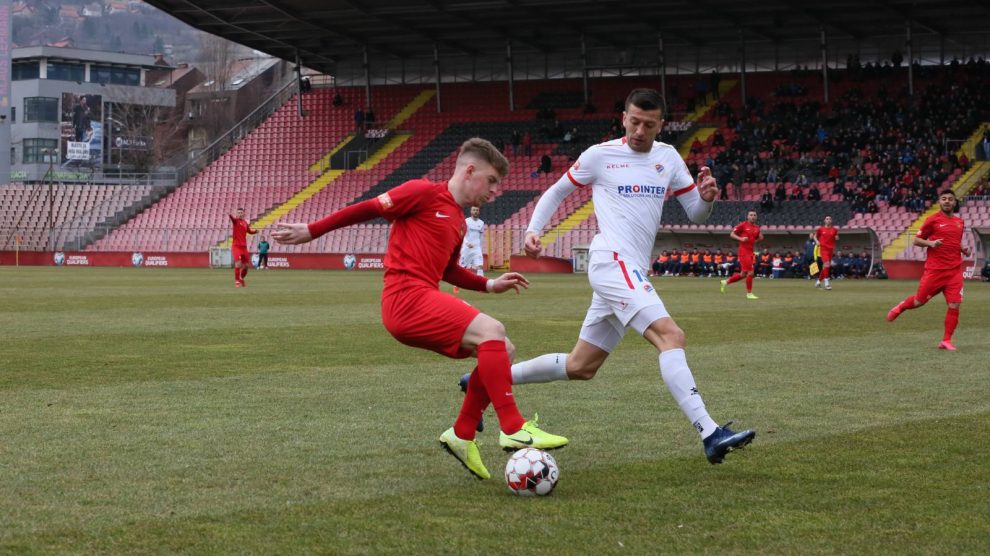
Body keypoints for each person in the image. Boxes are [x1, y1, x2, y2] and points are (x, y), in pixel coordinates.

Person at [481, 88, 754, 465]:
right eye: (634, 122)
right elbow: (557, 191)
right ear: (624, 118)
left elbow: (696, 213)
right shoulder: (600, 155)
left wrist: (707, 198)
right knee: (671, 336)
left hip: (631, 269)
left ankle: (487, 378)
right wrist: (533, 230)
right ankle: (710, 433)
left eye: (649, 125)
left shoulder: (668, 158)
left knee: (581, 366)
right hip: (611, 261)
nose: (640, 130)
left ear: (661, 125)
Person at [273, 138, 567, 480]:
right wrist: (312, 230)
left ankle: (462, 434)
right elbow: (368, 207)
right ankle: (513, 427)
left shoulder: (458, 220)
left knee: (503, 348)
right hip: (405, 298)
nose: (494, 191)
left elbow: (448, 271)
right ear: (469, 170)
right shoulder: (423, 192)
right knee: (493, 331)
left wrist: (489, 285)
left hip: (421, 296)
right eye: (491, 181)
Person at [887, 190, 971, 351]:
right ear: (940, 202)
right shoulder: (932, 220)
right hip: (935, 271)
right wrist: (931, 244)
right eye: (944, 199)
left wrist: (963, 249)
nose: (947, 201)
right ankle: (901, 307)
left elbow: (955, 241)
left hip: (954, 271)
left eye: (950, 199)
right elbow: (917, 240)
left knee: (955, 304)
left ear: (955, 202)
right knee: (918, 302)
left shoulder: (959, 222)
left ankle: (946, 340)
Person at [721, 209, 763, 299]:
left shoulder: (757, 227)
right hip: (743, 251)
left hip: (750, 252)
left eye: (754, 215)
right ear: (747, 216)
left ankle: (726, 282)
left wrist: (757, 240)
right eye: (751, 215)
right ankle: (749, 294)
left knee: (743, 274)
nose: (753, 216)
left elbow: (760, 237)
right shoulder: (743, 225)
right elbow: (732, 234)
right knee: (751, 272)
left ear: (756, 217)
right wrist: (741, 239)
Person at [453, 206, 486, 294]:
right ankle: (456, 285)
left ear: (479, 212)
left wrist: (481, 247)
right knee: (461, 267)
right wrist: (467, 243)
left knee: (480, 266)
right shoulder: (466, 221)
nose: (475, 212)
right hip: (466, 248)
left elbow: (481, 237)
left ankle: (481, 287)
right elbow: (462, 233)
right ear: (471, 211)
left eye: (477, 210)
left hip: (476, 248)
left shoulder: (481, 223)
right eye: (474, 210)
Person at [229, 208, 257, 288]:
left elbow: (249, 231)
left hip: (244, 247)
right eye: (238, 213)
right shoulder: (235, 221)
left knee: (246, 266)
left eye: (241, 212)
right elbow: (232, 219)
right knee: (238, 263)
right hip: (236, 246)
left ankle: (241, 278)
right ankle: (237, 281)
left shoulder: (245, 222)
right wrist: (230, 215)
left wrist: (255, 231)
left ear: (243, 214)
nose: (240, 214)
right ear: (237, 214)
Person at [815, 215, 840, 290]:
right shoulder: (820, 229)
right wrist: (817, 241)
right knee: (826, 264)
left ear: (831, 221)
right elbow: (815, 236)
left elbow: (837, 237)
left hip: (830, 250)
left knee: (826, 266)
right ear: (824, 221)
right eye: (827, 219)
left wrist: (837, 237)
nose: (828, 220)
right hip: (823, 249)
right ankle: (827, 283)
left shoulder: (834, 230)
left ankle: (818, 282)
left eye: (830, 219)